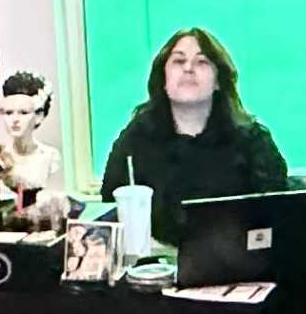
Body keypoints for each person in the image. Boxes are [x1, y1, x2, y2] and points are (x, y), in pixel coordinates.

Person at [99, 26, 290, 209]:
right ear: (163, 79)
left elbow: (277, 214)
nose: (188, 68)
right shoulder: (135, 138)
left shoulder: (253, 141)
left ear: (218, 81)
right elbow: (110, 209)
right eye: (179, 61)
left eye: (202, 62)